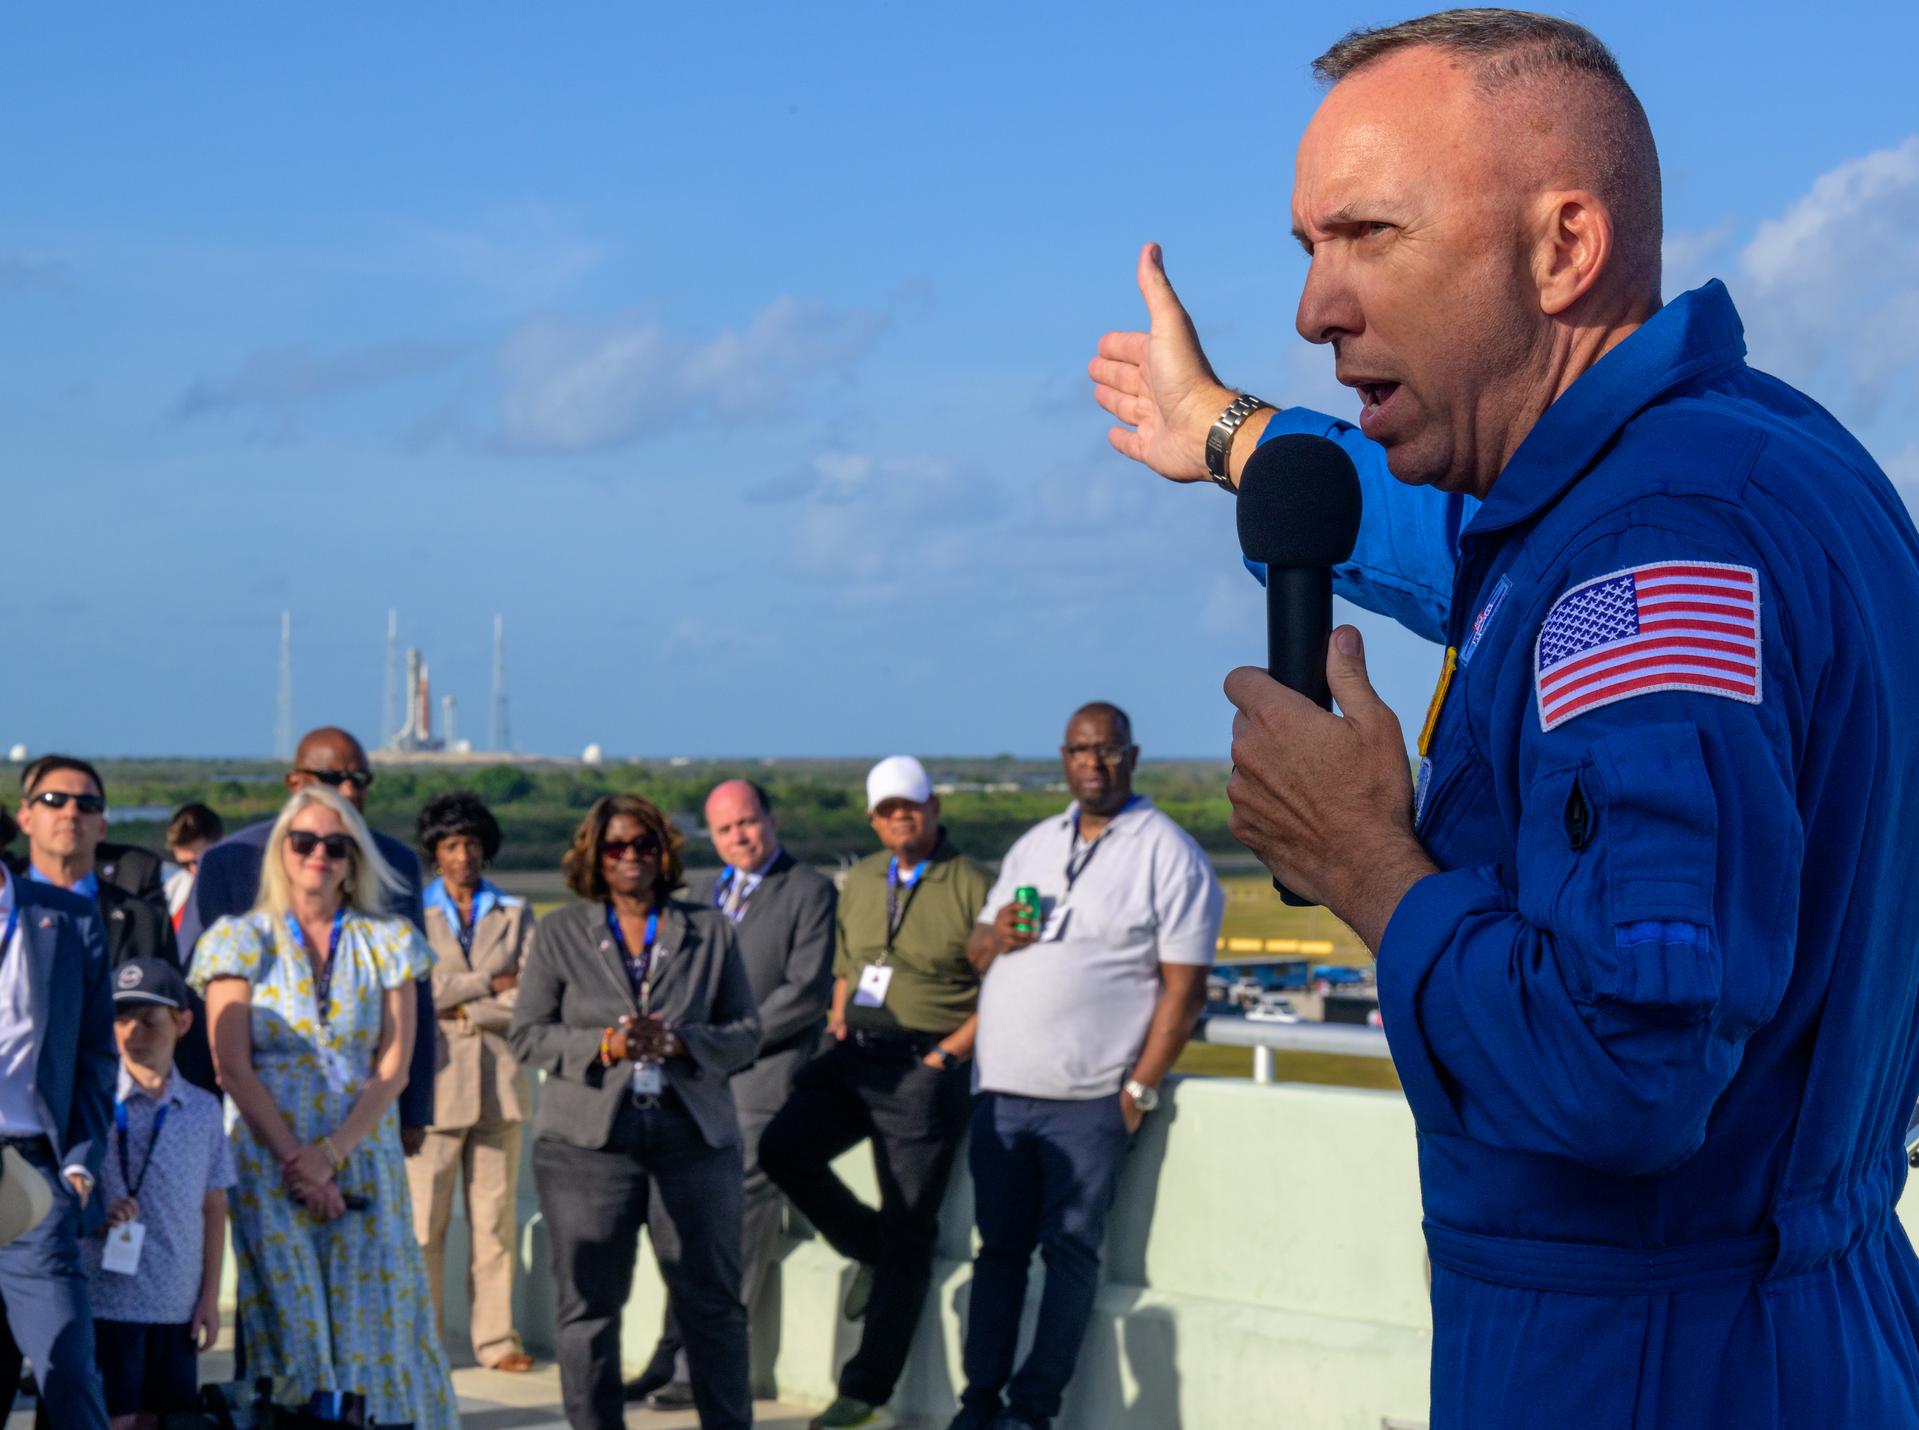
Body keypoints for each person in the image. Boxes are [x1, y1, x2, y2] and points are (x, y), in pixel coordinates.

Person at [1091, 9, 1919, 1426]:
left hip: (1653, 1366)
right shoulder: (1741, 463)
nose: (1313, 308)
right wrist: (1229, 433)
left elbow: (1626, 1065)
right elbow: (1485, 553)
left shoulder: (1646, 555)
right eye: (1307, 248)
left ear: (1560, 249)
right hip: (1810, 1323)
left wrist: (1364, 862)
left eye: (1367, 236)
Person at [950, 704, 1220, 1430]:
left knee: (1068, 1259)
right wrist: (994, 932)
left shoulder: (1168, 853)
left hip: (1090, 1100)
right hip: (1004, 1092)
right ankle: (977, 1404)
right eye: (1078, 750)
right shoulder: (1035, 845)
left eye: (1106, 751)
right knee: (996, 1255)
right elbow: (976, 952)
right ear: (1063, 758)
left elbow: (1185, 990)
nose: (1092, 764)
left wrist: (1137, 1089)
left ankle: (1030, 1412)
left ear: (1130, 757)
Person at [187, 786, 457, 1429]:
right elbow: (230, 1065)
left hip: (363, 1156)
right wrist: (297, 1162)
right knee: (293, 1334)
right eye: (303, 841)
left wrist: (330, 1155)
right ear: (280, 851)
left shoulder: (389, 940)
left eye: (335, 846)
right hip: (269, 1163)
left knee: (379, 1331)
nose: (318, 855)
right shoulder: (239, 940)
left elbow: (393, 1066)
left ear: (354, 859)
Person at [510, 794, 761, 1430]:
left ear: (664, 853)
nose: (631, 858)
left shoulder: (709, 932)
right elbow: (528, 1035)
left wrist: (684, 1042)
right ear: (594, 857)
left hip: (691, 1135)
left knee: (712, 1303)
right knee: (589, 1307)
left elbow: (746, 1034)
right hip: (589, 1145)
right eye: (616, 847)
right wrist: (606, 1044)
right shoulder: (562, 931)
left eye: (644, 845)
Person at [760, 756, 989, 1430]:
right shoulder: (860, 878)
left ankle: (866, 1389)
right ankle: (865, 1244)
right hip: (854, 1054)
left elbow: (1004, 987)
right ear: (872, 818)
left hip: (925, 1066)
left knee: (910, 1230)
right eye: (887, 810)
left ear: (933, 808)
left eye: (910, 807)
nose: (900, 819)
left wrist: (947, 1055)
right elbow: (846, 965)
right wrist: (836, 1019)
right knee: (781, 1147)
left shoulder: (972, 885)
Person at [628, 779, 838, 1411]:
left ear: (770, 819)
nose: (740, 837)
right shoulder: (698, 895)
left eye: (748, 822)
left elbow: (803, 994)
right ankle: (668, 1355)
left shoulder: (809, 891)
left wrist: (719, 1046)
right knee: (679, 1222)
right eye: (725, 830)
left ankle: (706, 1368)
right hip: (691, 1082)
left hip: (760, 1080)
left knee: (731, 1224)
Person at [180, 727, 436, 1148]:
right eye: (334, 778)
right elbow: (197, 998)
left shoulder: (395, 862)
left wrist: (416, 1111)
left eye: (361, 780)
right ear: (295, 782)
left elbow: (417, 1002)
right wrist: (197, 1109)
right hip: (254, 1119)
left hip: (362, 1123)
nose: (350, 790)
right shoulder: (229, 862)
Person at [406, 792, 535, 1373]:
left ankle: (496, 1340)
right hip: (433, 1088)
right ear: (436, 852)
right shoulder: (415, 911)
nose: (464, 856)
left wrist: (465, 1005)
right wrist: (487, 982)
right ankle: (423, 1340)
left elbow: (530, 997)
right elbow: (417, 993)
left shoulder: (515, 911)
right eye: (453, 845)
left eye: (473, 844)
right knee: (423, 1224)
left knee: (495, 1223)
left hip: (499, 1085)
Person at [82, 958, 233, 1430]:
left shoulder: (203, 1110)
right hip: (107, 1299)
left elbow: (214, 1207)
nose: (132, 1033)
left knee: (165, 1418)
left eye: (148, 1020)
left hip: (175, 1301)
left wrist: (209, 1296)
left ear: (183, 1022)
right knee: (113, 1416)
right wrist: (96, 1212)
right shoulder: (94, 1101)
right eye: (121, 1019)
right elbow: (68, 1189)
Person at [0, 846, 116, 1428]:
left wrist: (79, 1164)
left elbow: (98, 1054)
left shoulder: (66, 918)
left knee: (67, 1369)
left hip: (31, 1176)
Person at [17, 757, 179, 971]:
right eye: (54, 800)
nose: (71, 812)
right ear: (26, 818)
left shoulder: (146, 922)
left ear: (102, 827)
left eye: (87, 805)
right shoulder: (6, 905)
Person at [160, 805, 223, 935]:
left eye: (199, 861)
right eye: (184, 864)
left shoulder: (244, 887)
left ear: (222, 843)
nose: (194, 870)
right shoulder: (172, 889)